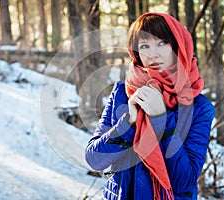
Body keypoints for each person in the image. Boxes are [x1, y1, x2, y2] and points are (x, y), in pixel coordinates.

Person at [85, 12, 215, 200]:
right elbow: (93, 160)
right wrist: (128, 123)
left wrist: (162, 119)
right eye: (145, 45)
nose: (153, 53)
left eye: (162, 43)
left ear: (177, 47)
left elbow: (184, 181)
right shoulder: (122, 92)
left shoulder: (200, 107)